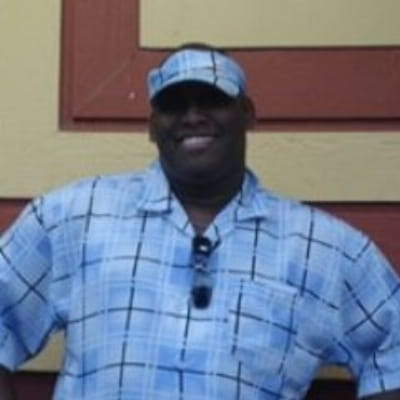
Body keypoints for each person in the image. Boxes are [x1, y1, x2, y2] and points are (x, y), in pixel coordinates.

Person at [0, 44, 399, 400]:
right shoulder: (74, 218)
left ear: (248, 115)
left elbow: (393, 349)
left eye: (212, 99)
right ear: (152, 126)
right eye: (173, 105)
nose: (192, 116)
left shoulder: (321, 248)